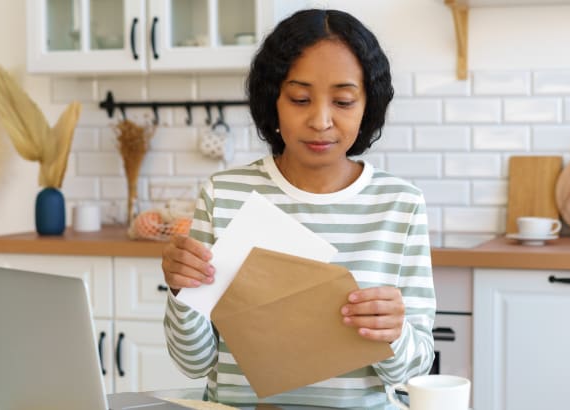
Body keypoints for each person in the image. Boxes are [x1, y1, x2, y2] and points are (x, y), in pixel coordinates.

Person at [161, 8, 435, 409]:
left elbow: (413, 372)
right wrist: (180, 292)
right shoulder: (225, 194)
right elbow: (193, 362)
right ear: (273, 100)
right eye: (300, 98)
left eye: (343, 101)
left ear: (367, 106)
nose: (321, 120)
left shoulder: (399, 205)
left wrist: (394, 332)